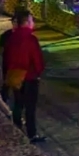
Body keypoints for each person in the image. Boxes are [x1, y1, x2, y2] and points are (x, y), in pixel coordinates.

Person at [5, 10, 46, 143]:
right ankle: (32, 134)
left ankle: (16, 128)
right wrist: (39, 72)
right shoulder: (31, 39)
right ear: (27, 22)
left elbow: (6, 57)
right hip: (29, 77)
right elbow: (37, 60)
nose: (33, 23)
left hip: (15, 76)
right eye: (32, 20)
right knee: (30, 108)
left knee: (18, 103)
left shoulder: (12, 37)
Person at [0, 17, 18, 103]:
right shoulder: (6, 35)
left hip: (18, 64)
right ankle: (3, 100)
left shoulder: (22, 36)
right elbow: (1, 49)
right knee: (6, 83)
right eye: (14, 22)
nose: (16, 24)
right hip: (7, 63)